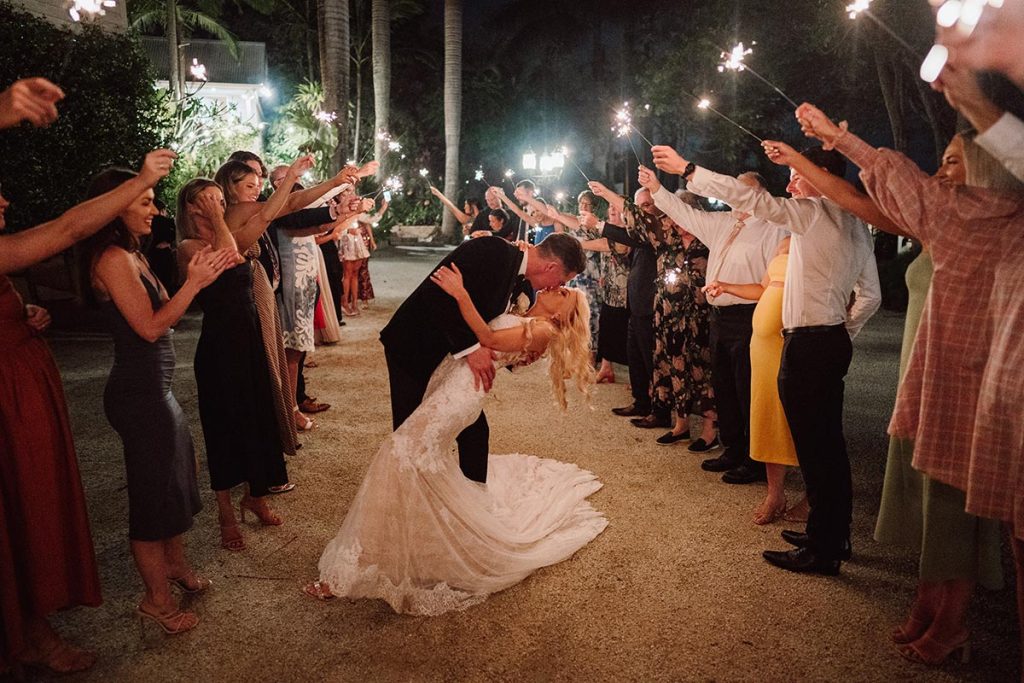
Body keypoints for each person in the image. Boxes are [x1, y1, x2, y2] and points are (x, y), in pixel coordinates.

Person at [794, 101, 1020, 664]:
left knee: (952, 508)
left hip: (968, 383)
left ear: (991, 171)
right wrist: (808, 154)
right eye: (940, 162)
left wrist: (834, 140)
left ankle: (951, 623)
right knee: (925, 501)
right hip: (928, 376)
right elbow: (858, 198)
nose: (940, 172)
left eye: (952, 163)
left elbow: (881, 184)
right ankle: (926, 602)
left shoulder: (986, 226)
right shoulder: (939, 223)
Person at [307, 267, 604, 613]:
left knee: (399, 453)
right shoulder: (526, 315)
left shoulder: (542, 329)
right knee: (415, 461)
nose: (558, 287)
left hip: (462, 396)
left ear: (561, 314)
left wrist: (460, 292)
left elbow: (489, 340)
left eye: (564, 293)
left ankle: (360, 564)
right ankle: (410, 543)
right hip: (450, 382)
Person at [653, 142, 882, 575]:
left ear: (823, 179)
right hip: (828, 340)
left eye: (798, 175)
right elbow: (871, 295)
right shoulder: (856, 225)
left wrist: (688, 169)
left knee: (817, 447)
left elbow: (751, 199)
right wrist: (839, 330)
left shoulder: (814, 213)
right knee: (829, 446)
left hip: (810, 344)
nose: (791, 183)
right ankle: (832, 532)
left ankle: (823, 547)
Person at [0, 149, 174, 675]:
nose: (5, 199)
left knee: (27, 509)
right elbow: (68, 228)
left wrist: (19, 314)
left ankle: (27, 628)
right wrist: (142, 177)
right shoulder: (112, 258)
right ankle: (25, 633)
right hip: (9, 392)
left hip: (23, 381)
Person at [81, 168, 237, 635]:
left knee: (176, 482)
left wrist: (191, 280)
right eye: (145, 202)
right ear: (114, 206)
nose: (156, 210)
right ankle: (156, 599)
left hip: (157, 388)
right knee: (152, 497)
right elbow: (151, 327)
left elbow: (164, 313)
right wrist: (194, 284)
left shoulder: (134, 254)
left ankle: (176, 567)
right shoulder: (111, 257)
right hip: (137, 392)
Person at [379, 232, 586, 484]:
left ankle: (474, 494)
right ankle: (402, 496)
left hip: (453, 361)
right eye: (562, 280)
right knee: (410, 431)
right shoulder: (489, 250)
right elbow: (437, 296)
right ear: (551, 266)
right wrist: (471, 348)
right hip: (415, 347)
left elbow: (499, 329)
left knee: (474, 432)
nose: (556, 286)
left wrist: (515, 356)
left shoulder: (526, 288)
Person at [176, 167, 305, 551]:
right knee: (224, 426)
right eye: (211, 200)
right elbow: (228, 256)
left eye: (220, 199)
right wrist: (217, 218)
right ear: (192, 207)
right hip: (219, 346)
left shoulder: (228, 234)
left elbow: (265, 216)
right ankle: (226, 514)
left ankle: (256, 495)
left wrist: (292, 177)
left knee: (258, 417)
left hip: (249, 337)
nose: (221, 205)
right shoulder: (187, 247)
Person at [639, 169, 787, 476]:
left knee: (748, 388)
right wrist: (656, 188)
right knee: (724, 386)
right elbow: (685, 213)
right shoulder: (723, 223)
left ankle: (756, 459)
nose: (735, 194)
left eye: (742, 190)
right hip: (719, 316)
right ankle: (732, 448)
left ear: (761, 195)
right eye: (732, 189)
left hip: (751, 315)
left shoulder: (773, 227)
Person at [703, 237, 797, 524]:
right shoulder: (783, 242)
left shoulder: (820, 240)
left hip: (789, 339)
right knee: (765, 412)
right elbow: (762, 288)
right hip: (762, 343)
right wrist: (727, 285)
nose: (792, 188)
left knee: (790, 415)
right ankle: (774, 493)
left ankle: (809, 494)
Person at [583, 187, 662, 427]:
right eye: (638, 207)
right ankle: (640, 402)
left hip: (649, 304)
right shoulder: (637, 233)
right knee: (635, 357)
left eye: (645, 206)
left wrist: (604, 203)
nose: (639, 212)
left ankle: (659, 409)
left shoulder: (654, 231)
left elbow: (621, 240)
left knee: (650, 360)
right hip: (634, 304)